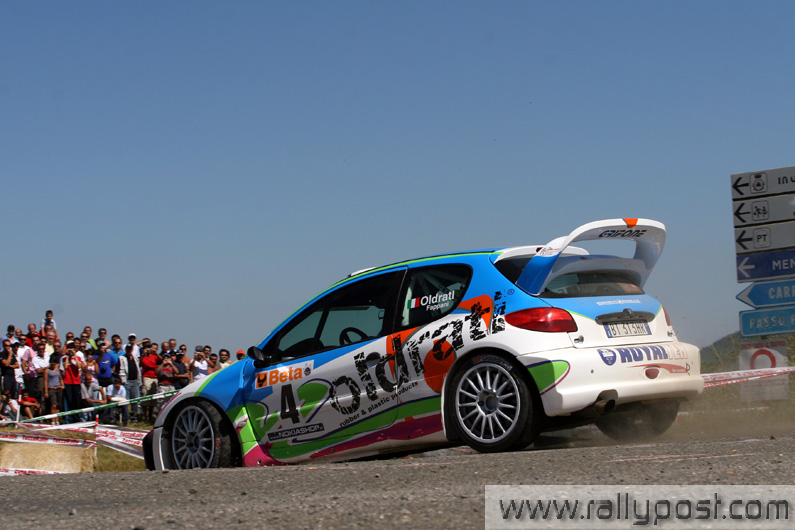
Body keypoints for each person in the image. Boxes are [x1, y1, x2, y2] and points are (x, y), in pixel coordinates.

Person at [61, 346, 85, 424]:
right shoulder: (65, 358)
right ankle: (70, 419)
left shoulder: (78, 358)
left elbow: (79, 366)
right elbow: (65, 367)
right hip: (68, 382)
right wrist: (68, 356)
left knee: (77, 401)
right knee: (69, 401)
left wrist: (74, 355)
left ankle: (77, 418)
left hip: (76, 382)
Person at [139, 347, 161, 423]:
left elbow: (161, 361)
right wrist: (143, 354)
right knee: (146, 396)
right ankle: (145, 417)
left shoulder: (154, 356)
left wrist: (156, 353)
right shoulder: (143, 357)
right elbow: (140, 364)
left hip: (154, 377)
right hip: (147, 377)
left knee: (153, 398)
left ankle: (150, 415)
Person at [123, 345, 141, 422]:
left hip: (135, 381)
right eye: (127, 349)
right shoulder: (122, 358)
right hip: (127, 381)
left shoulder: (135, 359)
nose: (129, 351)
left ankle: (134, 417)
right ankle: (126, 417)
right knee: (126, 401)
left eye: (130, 349)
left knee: (135, 400)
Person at [43, 354, 64, 424]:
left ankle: (57, 420)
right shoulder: (47, 370)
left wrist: (62, 385)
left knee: (58, 405)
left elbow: (61, 379)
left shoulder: (58, 370)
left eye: (54, 362)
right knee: (53, 405)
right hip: (51, 389)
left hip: (58, 388)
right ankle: (52, 421)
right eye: (52, 362)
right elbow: (45, 381)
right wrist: (46, 392)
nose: (53, 364)